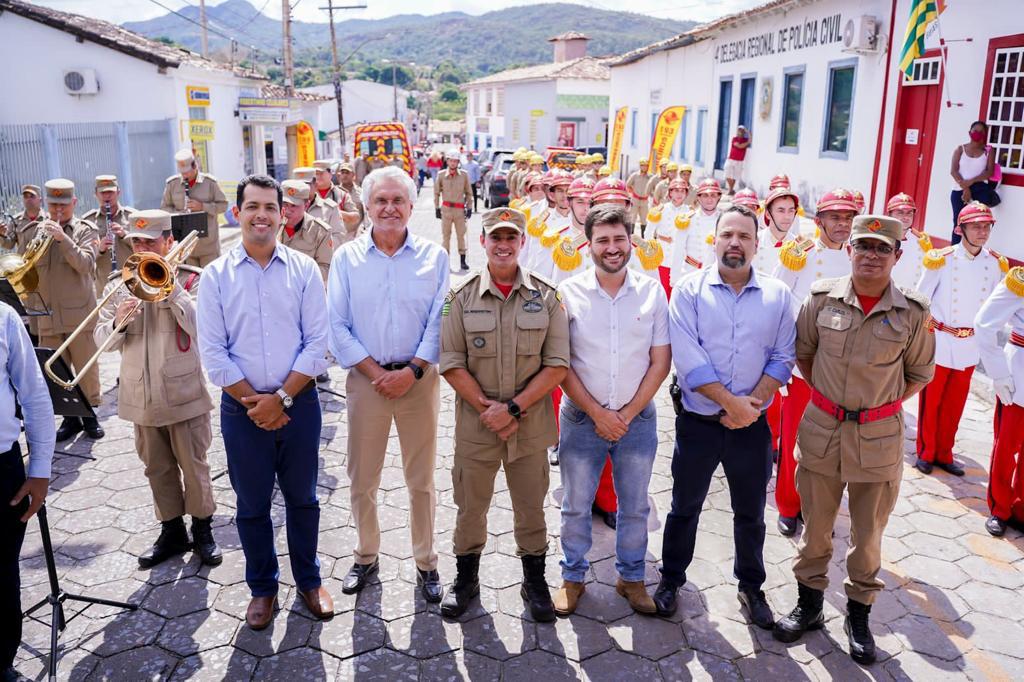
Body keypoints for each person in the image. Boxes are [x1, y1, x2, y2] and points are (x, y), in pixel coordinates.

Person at [773, 215, 935, 666]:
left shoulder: (914, 312)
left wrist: (873, 405)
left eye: (882, 248)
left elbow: (920, 372)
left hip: (878, 439)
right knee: (815, 530)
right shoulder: (821, 298)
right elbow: (804, 353)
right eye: (863, 245)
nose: (871, 254)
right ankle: (808, 606)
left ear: (897, 256)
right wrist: (834, 400)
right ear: (850, 250)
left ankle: (858, 615)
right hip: (823, 430)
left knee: (867, 537)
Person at [197, 174, 332, 630]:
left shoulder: (304, 270)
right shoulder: (215, 276)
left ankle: (310, 581)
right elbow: (213, 354)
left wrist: (282, 398)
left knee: (304, 500)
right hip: (242, 411)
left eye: (270, 207)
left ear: (282, 214)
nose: (261, 214)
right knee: (251, 505)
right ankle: (262, 588)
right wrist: (258, 403)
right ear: (237, 212)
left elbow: (318, 343)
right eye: (252, 206)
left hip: (300, 406)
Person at [654, 204, 796, 630]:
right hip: (698, 423)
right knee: (684, 507)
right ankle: (671, 579)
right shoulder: (689, 290)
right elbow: (688, 357)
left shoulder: (777, 295)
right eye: (727, 235)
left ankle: (751, 587)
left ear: (757, 243)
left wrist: (749, 405)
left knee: (751, 512)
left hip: (753, 428)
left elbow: (784, 355)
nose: (735, 243)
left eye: (744, 236)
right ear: (712, 240)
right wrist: (732, 404)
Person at [438, 207, 569, 621]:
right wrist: (489, 409)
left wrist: (513, 408)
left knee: (531, 508)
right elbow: (451, 362)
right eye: (496, 237)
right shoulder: (458, 298)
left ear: (522, 243)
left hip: (529, 425)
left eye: (511, 237)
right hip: (477, 425)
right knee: (470, 508)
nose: (503, 244)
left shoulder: (547, 297)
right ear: (482, 242)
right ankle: (466, 579)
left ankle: (534, 581)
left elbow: (558, 364)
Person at [327, 166, 449, 602]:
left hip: (419, 381)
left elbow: (441, 318)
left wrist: (412, 371)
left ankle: (426, 562)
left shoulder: (435, 257)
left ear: (412, 207)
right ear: (366, 206)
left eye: (398, 200)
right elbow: (336, 325)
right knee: (362, 478)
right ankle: (365, 555)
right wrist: (379, 375)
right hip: (367, 381)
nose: (389, 208)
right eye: (381, 200)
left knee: (421, 479)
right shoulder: (346, 258)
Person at [554, 204, 670, 617]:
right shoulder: (568, 293)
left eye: (619, 239)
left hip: (636, 420)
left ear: (631, 242)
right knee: (575, 503)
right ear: (589, 245)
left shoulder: (652, 292)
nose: (612, 247)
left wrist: (626, 412)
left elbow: (661, 361)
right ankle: (572, 577)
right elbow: (560, 362)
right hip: (582, 418)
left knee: (635, 505)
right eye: (603, 240)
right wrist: (599, 413)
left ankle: (632, 578)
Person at [94, 209, 220, 569]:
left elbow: (203, 330)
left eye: (150, 241)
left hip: (184, 394)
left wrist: (171, 291)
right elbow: (101, 341)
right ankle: (171, 531)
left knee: (194, 467)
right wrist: (118, 322)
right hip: (141, 397)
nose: (142, 247)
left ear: (168, 242)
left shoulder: (192, 280)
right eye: (136, 241)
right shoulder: (118, 284)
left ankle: (203, 528)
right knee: (157, 469)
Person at [772, 189, 857, 537]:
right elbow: (775, 301)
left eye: (848, 218)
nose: (842, 225)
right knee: (795, 437)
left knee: (830, 445)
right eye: (835, 217)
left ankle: (816, 506)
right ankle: (788, 506)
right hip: (803, 361)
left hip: (839, 367)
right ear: (818, 220)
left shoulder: (856, 255)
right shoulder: (799, 253)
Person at [914, 201, 1004, 476]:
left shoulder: (994, 263)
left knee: (955, 402)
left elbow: (994, 305)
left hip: (970, 342)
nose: (982, 232)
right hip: (941, 338)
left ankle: (945, 451)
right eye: (975, 226)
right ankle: (926, 451)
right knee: (932, 401)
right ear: (959, 228)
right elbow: (921, 299)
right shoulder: (942, 258)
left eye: (986, 226)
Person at [0, 299, 56, 682]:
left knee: (1, 574)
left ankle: (1, 662)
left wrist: (39, 470)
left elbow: (34, 395)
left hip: (1, 468)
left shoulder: (3, 318)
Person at [36, 179, 104, 441]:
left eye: (63, 205)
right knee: (55, 371)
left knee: (86, 370)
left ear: (73, 203)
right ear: (46, 204)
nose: (58, 211)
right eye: (53, 205)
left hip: (79, 313)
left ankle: (89, 418)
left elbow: (86, 264)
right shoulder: (34, 230)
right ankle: (70, 418)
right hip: (48, 315)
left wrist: (62, 238)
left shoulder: (86, 230)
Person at [975, 266, 1024, 536]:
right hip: (1020, 376)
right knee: (1007, 445)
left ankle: (1022, 508)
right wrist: (998, 373)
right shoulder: (1020, 281)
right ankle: (1000, 509)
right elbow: (984, 323)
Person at [161, 148, 229, 267]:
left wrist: (203, 206)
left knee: (211, 283)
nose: (185, 175)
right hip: (186, 246)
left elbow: (223, 205)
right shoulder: (172, 184)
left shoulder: (210, 183)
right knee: (191, 283)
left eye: (187, 171)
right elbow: (164, 209)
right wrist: (179, 213)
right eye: (182, 172)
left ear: (195, 166)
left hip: (208, 247)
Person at [82, 175, 134, 296]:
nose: (107, 196)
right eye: (103, 193)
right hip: (103, 285)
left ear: (118, 192)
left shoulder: (132, 216)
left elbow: (144, 248)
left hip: (130, 280)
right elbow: (83, 259)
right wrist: (100, 249)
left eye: (110, 192)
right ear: (96, 194)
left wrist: (124, 235)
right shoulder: (88, 221)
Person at [950, 121, 999, 244]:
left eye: (981, 132)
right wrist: (965, 189)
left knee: (975, 224)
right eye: (975, 131)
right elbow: (953, 171)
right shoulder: (960, 149)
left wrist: (970, 183)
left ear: (985, 134)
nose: (977, 134)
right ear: (969, 133)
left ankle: (972, 250)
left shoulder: (988, 151)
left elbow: (989, 172)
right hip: (958, 192)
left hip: (978, 192)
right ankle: (954, 251)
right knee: (958, 223)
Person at [648, 178, 695, 297]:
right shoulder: (661, 209)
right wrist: (651, 250)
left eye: (682, 191)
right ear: (670, 193)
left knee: (677, 293)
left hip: (681, 260)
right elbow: (648, 232)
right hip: (663, 257)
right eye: (676, 191)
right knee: (662, 292)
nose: (679, 194)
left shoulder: (690, 212)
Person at [279, 180, 333, 282]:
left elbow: (326, 267)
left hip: (304, 291)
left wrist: (298, 278)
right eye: (285, 204)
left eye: (294, 205)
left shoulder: (320, 231)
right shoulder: (271, 226)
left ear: (306, 205)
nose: (288, 210)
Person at [434, 150, 474, 271]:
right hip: (446, 209)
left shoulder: (464, 175)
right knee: (446, 236)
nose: (453, 163)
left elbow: (468, 193)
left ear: (458, 162)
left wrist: (470, 208)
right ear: (447, 161)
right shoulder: (441, 175)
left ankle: (462, 260)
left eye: (455, 161)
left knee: (461, 235)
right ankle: (446, 261)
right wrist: (436, 207)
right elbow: (436, 193)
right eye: (451, 160)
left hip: (459, 210)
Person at [886, 192, 933, 292]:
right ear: (889, 214)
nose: (905, 217)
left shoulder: (921, 241)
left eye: (909, 213)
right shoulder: (880, 239)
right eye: (900, 213)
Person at [314, 161, 362, 247]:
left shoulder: (341, 194)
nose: (318, 176)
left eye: (321, 173)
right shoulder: (308, 194)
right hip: (313, 243)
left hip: (337, 243)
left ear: (330, 174)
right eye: (316, 173)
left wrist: (338, 213)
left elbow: (356, 217)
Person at [626, 158, 655, 237]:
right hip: (635, 199)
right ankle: (630, 235)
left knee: (644, 219)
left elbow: (654, 187)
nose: (644, 167)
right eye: (642, 165)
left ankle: (643, 237)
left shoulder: (650, 177)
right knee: (632, 217)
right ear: (640, 166)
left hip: (645, 200)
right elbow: (628, 184)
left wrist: (651, 193)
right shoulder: (635, 175)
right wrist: (633, 192)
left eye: (645, 165)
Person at [335, 161, 366, 231]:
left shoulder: (361, 192)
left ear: (353, 175)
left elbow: (365, 212)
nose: (345, 175)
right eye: (342, 173)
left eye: (347, 173)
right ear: (339, 175)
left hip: (358, 233)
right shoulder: (334, 192)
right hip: (341, 233)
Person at [724, 125, 750, 194]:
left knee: (735, 176)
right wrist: (747, 143)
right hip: (731, 159)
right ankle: (731, 189)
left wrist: (748, 133)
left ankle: (730, 190)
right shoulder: (734, 139)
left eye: (742, 130)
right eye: (739, 130)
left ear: (744, 132)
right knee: (727, 173)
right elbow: (740, 146)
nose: (740, 132)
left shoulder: (745, 140)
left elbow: (749, 140)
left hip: (739, 160)